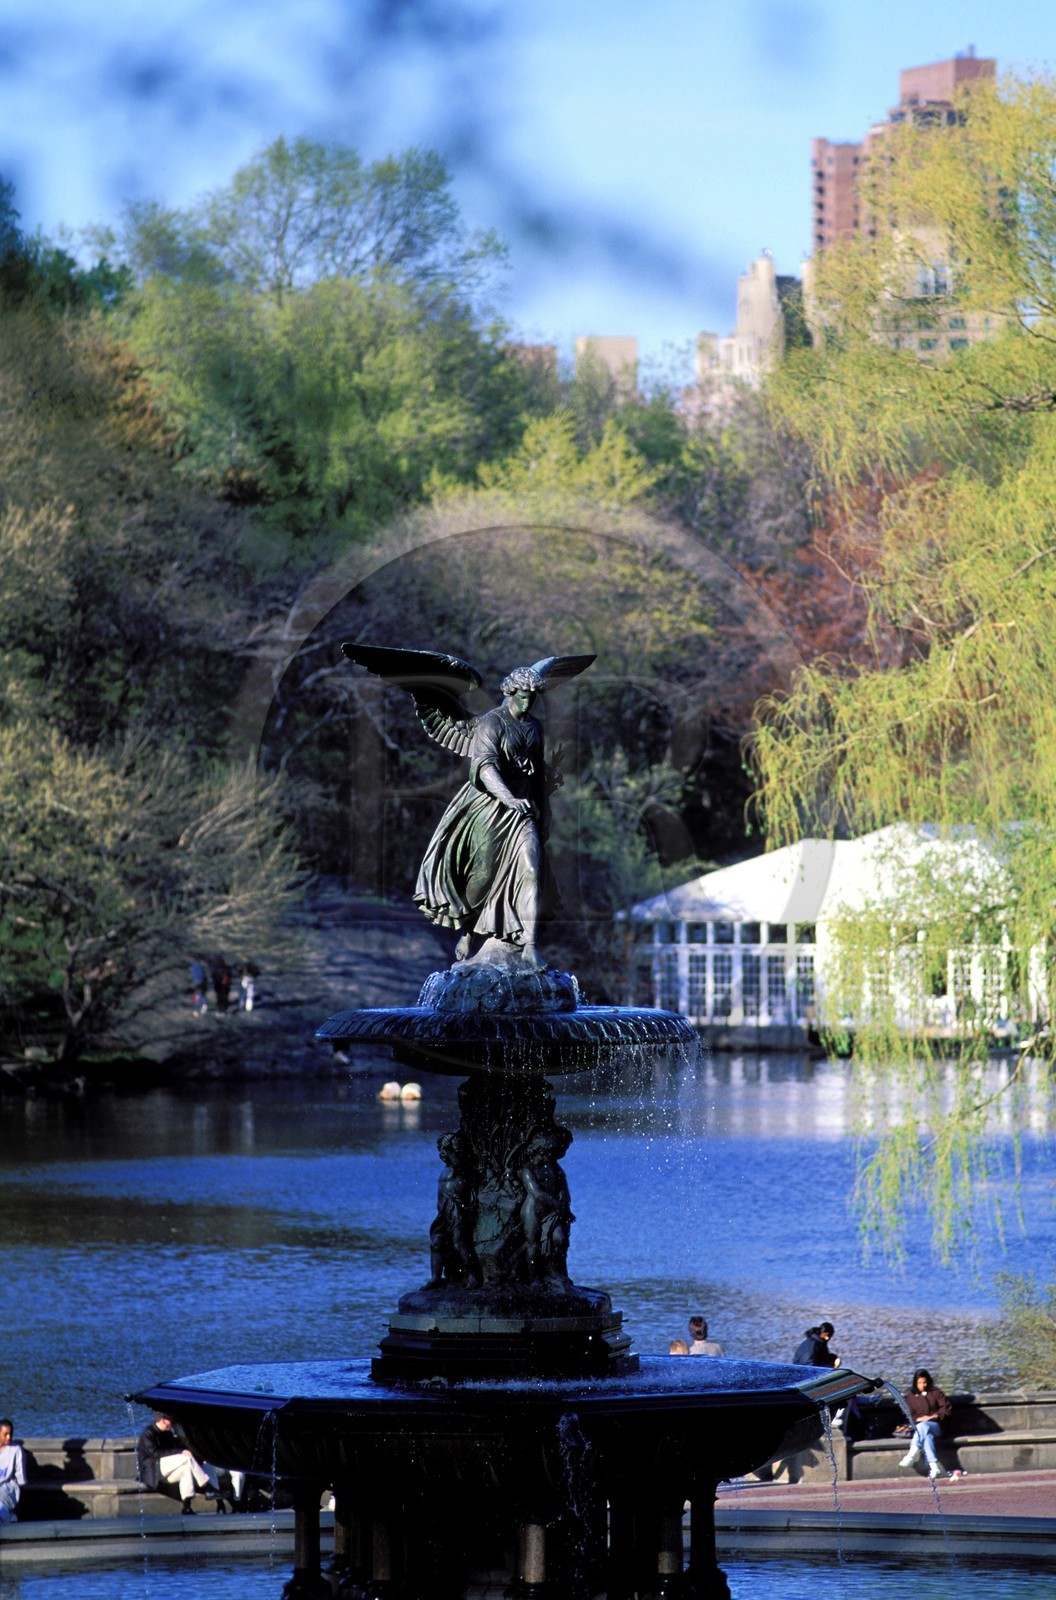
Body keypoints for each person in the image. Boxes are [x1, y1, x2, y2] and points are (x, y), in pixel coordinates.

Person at [415, 666, 558, 968]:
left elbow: (535, 775)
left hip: (523, 811)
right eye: (521, 696)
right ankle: (469, 929)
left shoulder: (535, 727)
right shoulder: (491, 724)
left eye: (532, 698)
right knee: (480, 880)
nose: (527, 703)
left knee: (532, 869)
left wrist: (545, 796)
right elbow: (484, 768)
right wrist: (508, 798)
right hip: (490, 809)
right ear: (509, 692)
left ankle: (530, 945)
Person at [136, 1414, 243, 1513]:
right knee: (185, 1458)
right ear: (163, 1420)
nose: (172, 1425)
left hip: (166, 1467)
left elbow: (177, 1448)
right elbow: (155, 1453)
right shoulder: (148, 1433)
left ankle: (187, 1507)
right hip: (154, 1468)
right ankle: (208, 1488)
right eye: (171, 1422)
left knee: (186, 1469)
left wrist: (198, 1459)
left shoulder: (167, 1434)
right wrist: (180, 1452)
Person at [900, 1368, 952, 1479]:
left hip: (936, 1425)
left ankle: (911, 1454)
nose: (922, 1385)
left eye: (925, 1382)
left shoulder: (936, 1393)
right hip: (921, 1428)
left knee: (924, 1426)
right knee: (927, 1436)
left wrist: (933, 1416)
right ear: (915, 1383)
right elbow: (909, 1414)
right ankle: (934, 1467)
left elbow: (945, 1409)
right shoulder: (910, 1397)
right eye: (919, 1383)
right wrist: (917, 1419)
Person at [0, 1418, 26, 1523]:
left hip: (7, 1489)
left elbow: (21, 1480)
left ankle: (7, 1516)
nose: (9, 1437)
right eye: (5, 1434)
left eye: (10, 1434)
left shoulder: (16, 1450)